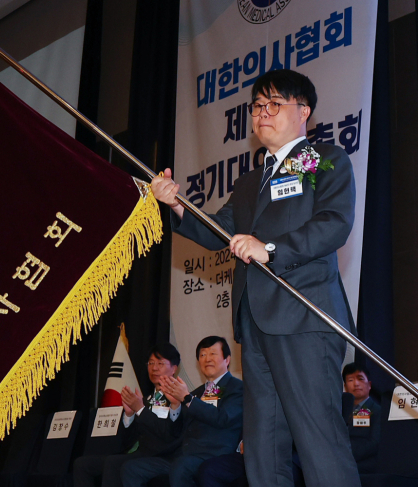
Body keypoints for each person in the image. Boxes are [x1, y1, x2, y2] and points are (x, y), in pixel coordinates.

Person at [151, 69, 360, 487]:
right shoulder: (250, 181)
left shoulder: (321, 160)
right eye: (257, 107)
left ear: (303, 111)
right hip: (256, 327)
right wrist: (177, 206)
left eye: (274, 104)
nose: (262, 114)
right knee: (263, 449)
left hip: (305, 319)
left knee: (319, 442)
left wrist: (270, 249)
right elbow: (219, 230)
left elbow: (334, 223)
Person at [121, 336, 243, 487]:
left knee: (181, 467)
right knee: (131, 468)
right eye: (203, 355)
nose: (207, 359)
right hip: (182, 454)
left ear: (227, 359)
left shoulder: (236, 388)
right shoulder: (196, 393)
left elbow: (223, 418)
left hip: (212, 455)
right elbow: (176, 430)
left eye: (213, 354)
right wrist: (175, 406)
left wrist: (188, 399)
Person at [73, 343, 181, 487]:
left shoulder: (178, 399)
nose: (154, 368)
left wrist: (140, 409)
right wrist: (129, 416)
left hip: (159, 455)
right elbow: (129, 440)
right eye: (151, 363)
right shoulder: (147, 399)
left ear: (174, 368)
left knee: (114, 463)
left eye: (160, 363)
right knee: (82, 464)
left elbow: (167, 434)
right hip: (136, 453)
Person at [343, 363, 381, 474]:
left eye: (360, 379)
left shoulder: (377, 411)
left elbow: (374, 443)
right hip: (341, 458)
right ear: (345, 386)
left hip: (364, 463)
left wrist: (347, 453)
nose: (356, 384)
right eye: (350, 380)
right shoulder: (340, 410)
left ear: (369, 385)